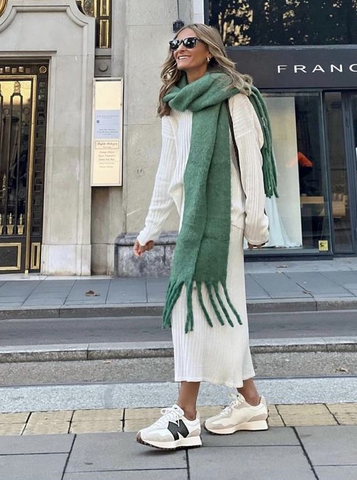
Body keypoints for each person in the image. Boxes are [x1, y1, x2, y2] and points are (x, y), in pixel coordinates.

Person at [133, 23, 270, 451]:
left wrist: (256, 224)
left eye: (189, 42)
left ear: (209, 50)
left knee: (190, 309)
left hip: (224, 220)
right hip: (194, 220)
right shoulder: (174, 103)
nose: (180, 48)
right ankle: (251, 402)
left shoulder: (234, 97)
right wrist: (151, 228)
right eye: (175, 43)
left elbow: (251, 164)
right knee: (223, 313)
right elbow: (168, 171)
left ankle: (186, 416)